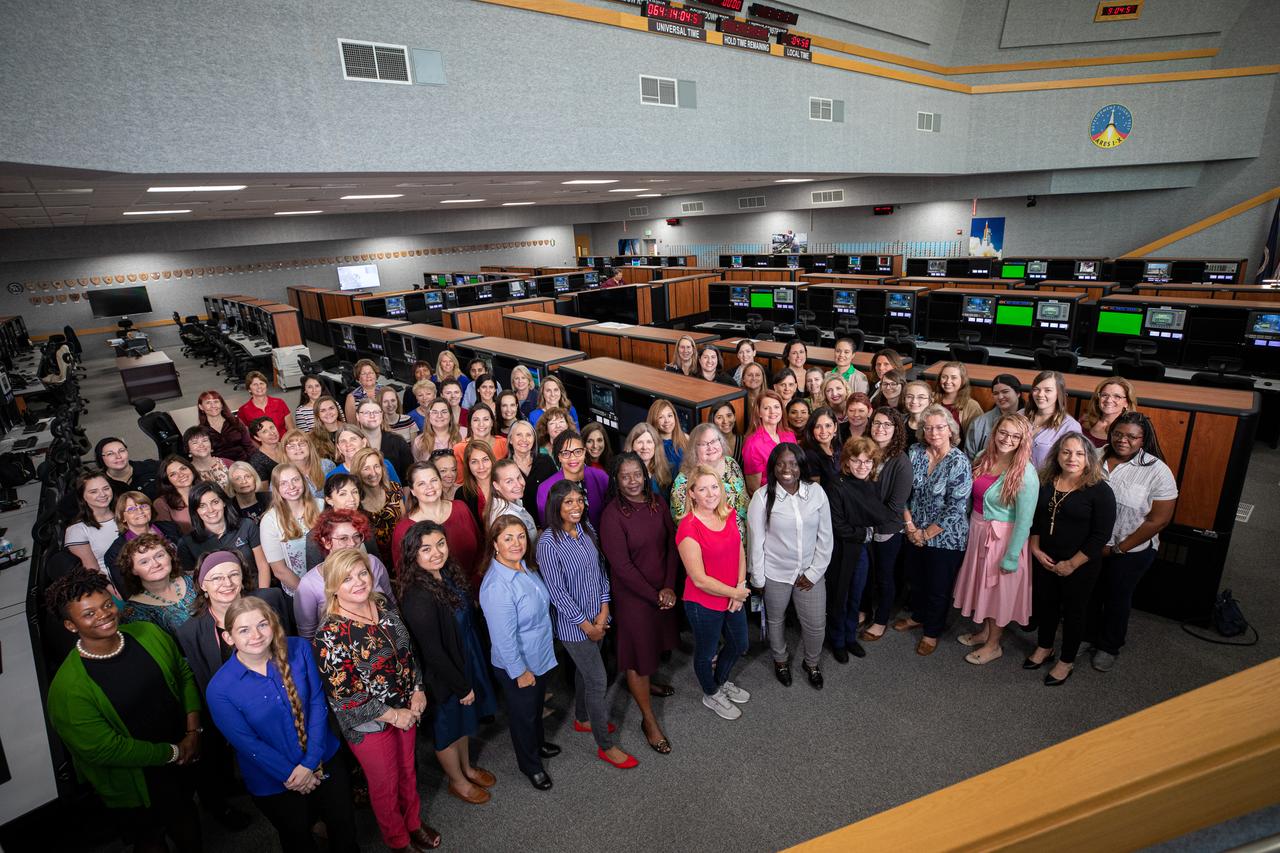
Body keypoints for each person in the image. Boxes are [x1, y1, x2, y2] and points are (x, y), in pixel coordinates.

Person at [46, 568, 205, 853]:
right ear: (71, 625)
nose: (104, 614)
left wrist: (193, 731)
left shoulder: (146, 633)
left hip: (182, 756)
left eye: (107, 604)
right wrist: (173, 752)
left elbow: (183, 674)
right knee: (150, 841)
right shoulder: (68, 689)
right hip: (135, 781)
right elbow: (104, 749)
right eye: (89, 614)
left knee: (187, 825)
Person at [206, 597, 359, 853]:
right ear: (229, 637)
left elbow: (317, 703)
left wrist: (310, 762)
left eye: (262, 625)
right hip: (274, 779)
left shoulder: (298, 648)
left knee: (344, 825)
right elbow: (246, 743)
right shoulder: (220, 689)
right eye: (243, 630)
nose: (255, 635)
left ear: (273, 626)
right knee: (296, 837)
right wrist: (294, 775)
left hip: (323, 756)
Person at [314, 549, 439, 851]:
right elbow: (347, 696)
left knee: (408, 771)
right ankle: (397, 839)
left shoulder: (382, 605)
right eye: (347, 579)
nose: (358, 582)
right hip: (368, 723)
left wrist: (418, 689)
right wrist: (395, 716)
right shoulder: (329, 634)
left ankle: (413, 822)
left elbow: (407, 654)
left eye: (362, 574)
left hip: (406, 708)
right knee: (385, 784)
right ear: (333, 586)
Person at [397, 521, 499, 805]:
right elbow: (433, 652)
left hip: (466, 657)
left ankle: (467, 769)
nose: (436, 553)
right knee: (447, 728)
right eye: (425, 549)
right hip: (444, 675)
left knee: (464, 721)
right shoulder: (418, 595)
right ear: (413, 554)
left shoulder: (446, 575)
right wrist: (461, 685)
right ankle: (457, 781)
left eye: (440, 544)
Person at [537, 481, 638, 769]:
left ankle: (582, 718)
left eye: (578, 500)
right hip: (575, 628)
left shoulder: (587, 530)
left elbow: (600, 571)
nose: (576, 507)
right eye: (568, 502)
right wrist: (586, 625)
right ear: (556, 505)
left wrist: (605, 608)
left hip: (600, 618)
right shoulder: (548, 543)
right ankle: (605, 747)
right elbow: (557, 593)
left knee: (586, 674)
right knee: (597, 679)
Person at [599, 452, 678, 755]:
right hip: (634, 598)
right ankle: (649, 721)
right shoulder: (612, 515)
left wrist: (669, 585)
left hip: (662, 591)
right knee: (636, 657)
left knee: (652, 648)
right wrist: (654, 595)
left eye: (637, 474)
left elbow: (672, 544)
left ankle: (648, 685)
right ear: (616, 481)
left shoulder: (657, 504)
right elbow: (622, 567)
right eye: (625, 476)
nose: (633, 481)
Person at [1089, 412, 1177, 672]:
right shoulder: (1092, 455)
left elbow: (1158, 520)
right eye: (1118, 433)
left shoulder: (1157, 471)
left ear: (1143, 439)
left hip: (1130, 549)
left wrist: (1117, 548)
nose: (1122, 440)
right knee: (1090, 593)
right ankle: (1087, 635)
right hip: (1091, 544)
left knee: (1117, 596)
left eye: (1131, 436)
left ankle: (1109, 645)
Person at [1027, 433, 1116, 686]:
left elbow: (1101, 536)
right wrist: (1035, 547)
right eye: (1066, 452)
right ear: (1057, 454)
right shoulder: (1046, 481)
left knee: (1075, 612)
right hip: (1045, 558)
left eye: (1078, 453)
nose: (1072, 458)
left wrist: (1072, 564)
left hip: (1080, 564)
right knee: (1046, 605)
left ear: (1088, 457)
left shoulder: (1100, 490)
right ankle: (1045, 647)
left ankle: (1066, 660)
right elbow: (1036, 520)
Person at [479, 515, 560, 790]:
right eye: (508, 538)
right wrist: (520, 671)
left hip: (539, 654)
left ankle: (538, 744)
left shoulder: (525, 566)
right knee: (523, 716)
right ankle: (531, 765)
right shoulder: (496, 586)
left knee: (535, 708)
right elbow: (503, 640)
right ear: (495, 544)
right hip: (518, 664)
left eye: (521, 536)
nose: (516, 543)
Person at [951, 413, 1038, 665]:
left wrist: (1012, 556)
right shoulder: (982, 458)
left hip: (1004, 539)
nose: (1007, 439)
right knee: (984, 589)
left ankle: (993, 645)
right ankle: (985, 633)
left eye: (1015, 436)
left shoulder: (1026, 473)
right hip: (979, 531)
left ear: (1023, 440)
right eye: (1003, 432)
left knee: (997, 593)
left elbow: (1025, 520)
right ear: (995, 431)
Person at [748, 443, 833, 689]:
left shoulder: (816, 492)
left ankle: (812, 663)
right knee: (775, 620)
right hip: (775, 573)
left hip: (810, 573)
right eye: (781, 463)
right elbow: (756, 542)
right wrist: (759, 580)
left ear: (801, 466)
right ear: (773, 467)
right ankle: (780, 660)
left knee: (816, 625)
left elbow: (825, 537)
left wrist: (815, 572)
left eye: (793, 463)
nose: (787, 469)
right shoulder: (762, 497)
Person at [897, 405, 973, 656]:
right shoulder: (915, 451)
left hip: (946, 537)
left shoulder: (959, 461)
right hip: (913, 530)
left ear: (951, 430)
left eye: (940, 427)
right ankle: (918, 616)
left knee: (938, 587)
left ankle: (932, 631)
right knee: (916, 580)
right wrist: (910, 527)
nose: (933, 432)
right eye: (928, 427)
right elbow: (903, 492)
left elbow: (956, 507)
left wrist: (926, 534)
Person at [677, 466, 750, 720]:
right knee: (706, 653)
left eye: (714, 486)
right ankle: (711, 693)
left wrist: (740, 585)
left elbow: (739, 549)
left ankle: (720, 681)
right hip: (703, 603)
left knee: (740, 643)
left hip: (733, 595)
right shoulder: (688, 528)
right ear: (692, 494)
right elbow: (699, 580)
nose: (710, 493)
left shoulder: (727, 513)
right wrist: (736, 593)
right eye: (703, 489)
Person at [828, 437, 900, 662]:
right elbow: (837, 525)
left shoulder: (870, 484)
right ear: (847, 462)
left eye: (867, 461)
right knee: (840, 597)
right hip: (841, 552)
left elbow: (878, 514)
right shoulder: (835, 484)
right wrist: (866, 533)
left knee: (856, 597)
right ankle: (838, 640)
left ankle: (850, 637)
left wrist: (865, 533)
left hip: (861, 552)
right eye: (856, 461)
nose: (862, 466)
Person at [294, 508, 396, 640]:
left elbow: (391, 604)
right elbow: (307, 637)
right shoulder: (309, 585)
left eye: (357, 536)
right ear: (326, 542)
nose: (353, 543)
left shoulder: (373, 563)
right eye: (343, 538)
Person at [860, 407, 913, 642]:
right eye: (877, 423)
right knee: (864, 572)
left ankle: (881, 620)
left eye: (887, 425)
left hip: (886, 529)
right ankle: (864, 610)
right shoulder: (865, 451)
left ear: (896, 430)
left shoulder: (901, 461)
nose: (880, 429)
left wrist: (865, 515)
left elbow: (895, 505)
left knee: (884, 576)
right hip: (863, 526)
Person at [392, 461, 481, 583]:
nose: (430, 487)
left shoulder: (461, 508)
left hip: (476, 588)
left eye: (433, 480)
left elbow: (480, 549)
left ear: (440, 482)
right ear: (412, 490)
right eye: (421, 483)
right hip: (437, 597)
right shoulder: (404, 529)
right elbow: (405, 575)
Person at [669, 423, 748, 538]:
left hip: (742, 542)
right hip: (710, 547)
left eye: (714, 441)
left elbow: (744, 501)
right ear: (694, 449)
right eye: (704, 444)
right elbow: (682, 525)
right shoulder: (683, 482)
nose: (711, 447)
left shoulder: (730, 463)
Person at [179, 482, 268, 580]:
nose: (210, 510)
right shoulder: (186, 543)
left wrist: (262, 593)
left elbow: (263, 566)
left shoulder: (246, 525)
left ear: (224, 502)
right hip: (218, 594)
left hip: (255, 590)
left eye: (215, 502)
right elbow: (193, 581)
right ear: (195, 510)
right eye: (202, 506)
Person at [260, 464, 323, 594]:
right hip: (299, 591)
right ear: (276, 488)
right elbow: (279, 570)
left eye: (295, 480)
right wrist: (310, 595)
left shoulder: (322, 506)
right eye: (284, 483)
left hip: (332, 584)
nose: (292, 486)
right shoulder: (269, 520)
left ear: (304, 481)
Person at [118, 533, 198, 635]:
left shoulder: (193, 580)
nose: (155, 564)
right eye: (144, 562)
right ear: (133, 570)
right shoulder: (134, 613)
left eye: (159, 556)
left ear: (170, 556)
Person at [103, 492, 180, 590]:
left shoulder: (171, 528)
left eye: (144, 506)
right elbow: (126, 589)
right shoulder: (115, 552)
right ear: (122, 518)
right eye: (131, 509)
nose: (140, 511)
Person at [537, 430, 611, 530]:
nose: (573, 458)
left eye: (578, 452)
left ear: (584, 452)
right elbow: (548, 527)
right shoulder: (546, 489)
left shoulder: (600, 477)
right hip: (566, 543)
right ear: (559, 457)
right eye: (566, 453)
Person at [65, 470, 122, 577]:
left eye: (106, 488)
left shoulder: (126, 514)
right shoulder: (77, 530)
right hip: (112, 584)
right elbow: (93, 573)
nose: (102, 494)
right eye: (93, 491)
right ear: (83, 497)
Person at [353, 446, 404, 565]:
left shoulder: (394, 488)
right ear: (358, 472)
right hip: (373, 563)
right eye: (366, 468)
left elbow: (404, 523)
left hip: (401, 556)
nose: (373, 473)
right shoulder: (355, 503)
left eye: (376, 466)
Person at [1024, 370, 1082, 469]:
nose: (1040, 394)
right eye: (1036, 389)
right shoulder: (1020, 415)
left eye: (1048, 390)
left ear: (1059, 393)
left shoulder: (1070, 427)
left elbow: (1072, 464)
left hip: (1045, 482)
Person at [742, 390, 795, 494]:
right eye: (766, 408)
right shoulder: (753, 444)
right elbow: (753, 489)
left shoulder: (789, 434)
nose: (772, 412)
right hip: (769, 497)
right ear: (759, 413)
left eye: (776, 407)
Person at [963, 373, 1023, 459]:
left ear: (1018, 393)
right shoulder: (979, 423)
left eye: (1005, 392)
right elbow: (969, 457)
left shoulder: (1030, 419)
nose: (1000, 397)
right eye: (996, 393)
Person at [354, 398, 414, 483]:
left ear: (382, 415)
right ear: (357, 416)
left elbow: (408, 476)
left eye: (376, 412)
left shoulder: (398, 441)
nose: (372, 416)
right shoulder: (352, 444)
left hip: (396, 493)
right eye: (366, 413)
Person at [330, 425, 401, 484]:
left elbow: (399, 496)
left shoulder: (384, 464)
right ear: (339, 448)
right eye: (343, 441)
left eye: (353, 439)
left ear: (364, 442)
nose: (348, 444)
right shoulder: (333, 476)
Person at [1080, 377, 1137, 449]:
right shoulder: (1084, 421)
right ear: (1098, 398)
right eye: (1104, 395)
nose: (1109, 400)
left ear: (1127, 403)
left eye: (1117, 396)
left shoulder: (1130, 430)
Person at [198, 390, 255, 462]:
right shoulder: (200, 431)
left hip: (243, 463)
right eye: (208, 403)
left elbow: (248, 446)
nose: (213, 406)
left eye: (216, 401)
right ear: (201, 407)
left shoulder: (236, 422)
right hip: (220, 467)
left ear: (221, 404)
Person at [95, 437, 160, 499]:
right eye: (110, 454)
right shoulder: (99, 483)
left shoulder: (151, 467)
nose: (118, 456)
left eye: (122, 451)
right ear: (100, 458)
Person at [488, 458, 538, 537]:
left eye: (519, 477)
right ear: (496, 485)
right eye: (509, 481)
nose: (518, 485)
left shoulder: (514, 500)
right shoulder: (508, 517)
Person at [152, 456, 200, 536]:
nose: (181, 475)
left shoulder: (209, 491)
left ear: (191, 469)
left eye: (183, 469)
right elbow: (169, 537)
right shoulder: (161, 503)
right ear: (167, 480)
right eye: (173, 474)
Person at [281, 428, 334, 498]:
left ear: (309, 446)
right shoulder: (280, 474)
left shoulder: (327, 465)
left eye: (302, 444)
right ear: (285, 452)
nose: (298, 448)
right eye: (292, 446)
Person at [623, 422, 671, 497]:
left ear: (655, 445)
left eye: (649, 442)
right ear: (632, 445)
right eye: (640, 442)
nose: (645, 447)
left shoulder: (670, 470)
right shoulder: (622, 472)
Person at [458, 439, 497, 528]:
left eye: (485, 460)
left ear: (492, 460)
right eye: (474, 462)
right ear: (468, 465)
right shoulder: (462, 494)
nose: (481, 466)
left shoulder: (505, 485)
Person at [237, 370, 292, 435]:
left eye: (261, 383)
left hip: (283, 442)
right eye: (255, 384)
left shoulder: (279, 403)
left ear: (266, 386)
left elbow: (291, 428)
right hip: (261, 445)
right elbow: (246, 436)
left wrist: (285, 443)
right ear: (249, 389)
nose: (259, 387)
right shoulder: (243, 410)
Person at [935, 361, 983, 434]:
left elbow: (977, 435)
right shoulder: (931, 399)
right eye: (944, 377)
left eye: (954, 377)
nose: (948, 381)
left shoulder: (972, 406)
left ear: (963, 380)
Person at [800, 406, 841, 490]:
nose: (823, 431)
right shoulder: (810, 455)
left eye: (828, 425)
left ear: (835, 427)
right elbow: (815, 491)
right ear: (812, 430)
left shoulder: (838, 447)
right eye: (818, 426)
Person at [454, 403, 507, 467]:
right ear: (470, 424)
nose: (481, 424)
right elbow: (461, 476)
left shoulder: (504, 444)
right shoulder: (459, 449)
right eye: (476, 420)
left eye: (486, 419)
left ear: (492, 423)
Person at [647, 397, 688, 471]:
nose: (667, 421)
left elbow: (691, 470)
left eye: (670, 416)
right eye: (661, 417)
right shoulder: (650, 446)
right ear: (654, 420)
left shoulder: (686, 438)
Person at [342, 358, 384, 423]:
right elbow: (352, 424)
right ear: (358, 378)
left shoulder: (385, 391)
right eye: (364, 374)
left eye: (371, 372)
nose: (368, 376)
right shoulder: (351, 398)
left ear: (376, 375)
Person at [247, 416, 287, 481]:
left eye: (272, 427)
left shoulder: (287, 446)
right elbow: (264, 489)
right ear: (257, 438)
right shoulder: (257, 460)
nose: (272, 433)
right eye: (265, 431)